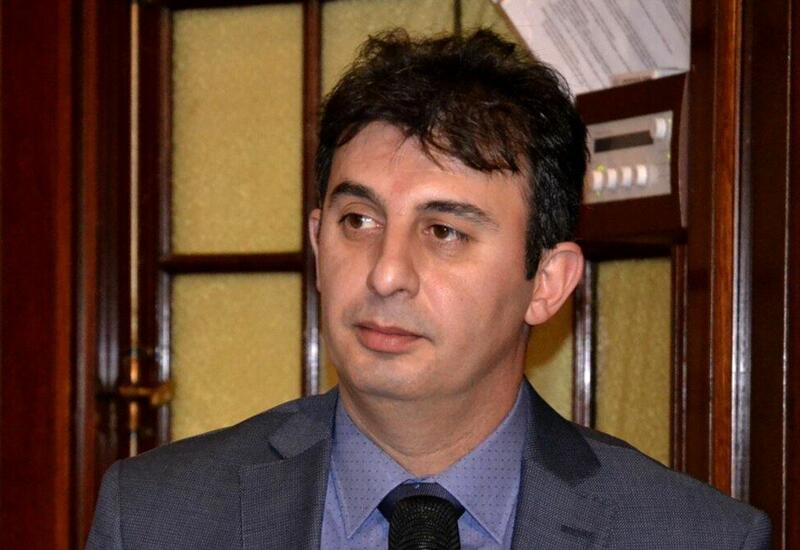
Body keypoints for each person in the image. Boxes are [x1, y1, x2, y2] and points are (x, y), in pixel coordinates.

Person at [87, 29, 770, 549]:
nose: (386, 273)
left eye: (444, 231)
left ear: (548, 282)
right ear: (318, 245)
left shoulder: (693, 537)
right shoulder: (154, 518)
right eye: (358, 221)